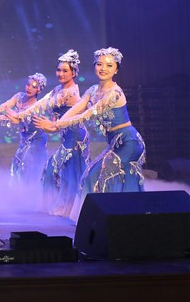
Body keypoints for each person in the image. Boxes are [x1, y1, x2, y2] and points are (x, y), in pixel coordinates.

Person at [33, 47, 146, 219]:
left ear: (116, 69)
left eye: (109, 65)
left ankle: (112, 219)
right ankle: (103, 220)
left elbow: (86, 115)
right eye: (99, 64)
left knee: (96, 177)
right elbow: (75, 111)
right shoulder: (92, 90)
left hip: (129, 143)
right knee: (89, 177)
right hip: (115, 144)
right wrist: (56, 126)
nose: (103, 68)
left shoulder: (114, 93)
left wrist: (55, 125)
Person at [5, 50, 89, 216]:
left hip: (76, 136)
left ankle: (69, 208)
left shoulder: (70, 92)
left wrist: (52, 126)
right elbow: (41, 103)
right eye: (58, 70)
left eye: (65, 71)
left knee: (62, 171)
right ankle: (59, 207)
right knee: (57, 171)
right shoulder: (59, 88)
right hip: (67, 136)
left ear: (74, 73)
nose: (60, 73)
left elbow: (46, 106)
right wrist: (20, 115)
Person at [0, 73, 49, 189]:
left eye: (34, 86)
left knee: (25, 165)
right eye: (28, 84)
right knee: (17, 164)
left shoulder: (35, 107)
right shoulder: (19, 97)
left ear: (39, 90)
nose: (29, 88)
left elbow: (10, 118)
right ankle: (19, 192)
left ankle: (28, 192)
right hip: (25, 140)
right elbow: (4, 106)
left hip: (36, 141)